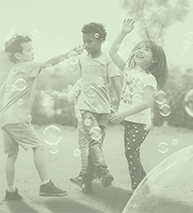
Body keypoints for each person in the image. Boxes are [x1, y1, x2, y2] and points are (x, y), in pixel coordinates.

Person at [0, 34, 83, 200]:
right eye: (29, 49)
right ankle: (46, 184)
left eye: (33, 49)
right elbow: (49, 63)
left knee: (11, 155)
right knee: (38, 147)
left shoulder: (13, 71)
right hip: (18, 118)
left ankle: (10, 191)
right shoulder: (27, 66)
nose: (33, 52)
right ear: (19, 55)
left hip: (5, 118)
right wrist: (70, 53)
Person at [109, 18, 168, 193]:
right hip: (130, 121)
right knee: (131, 154)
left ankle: (137, 189)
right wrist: (123, 32)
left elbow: (147, 102)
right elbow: (112, 52)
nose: (141, 50)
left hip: (141, 123)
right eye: (140, 48)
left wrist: (123, 113)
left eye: (147, 49)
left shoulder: (148, 78)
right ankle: (144, 188)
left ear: (154, 60)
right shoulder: (128, 69)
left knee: (130, 152)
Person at [77, 22, 122, 194]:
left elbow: (117, 84)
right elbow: (81, 82)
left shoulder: (107, 61)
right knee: (94, 142)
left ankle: (86, 180)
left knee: (94, 147)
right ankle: (103, 171)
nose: (86, 45)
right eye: (84, 41)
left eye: (90, 41)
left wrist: (123, 107)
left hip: (103, 111)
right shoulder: (81, 60)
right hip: (86, 109)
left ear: (101, 40)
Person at [49, 78, 88, 182]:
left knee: (84, 146)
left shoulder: (82, 81)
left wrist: (55, 94)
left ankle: (84, 174)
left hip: (83, 117)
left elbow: (70, 96)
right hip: (98, 117)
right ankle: (96, 172)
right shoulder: (100, 80)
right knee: (94, 145)